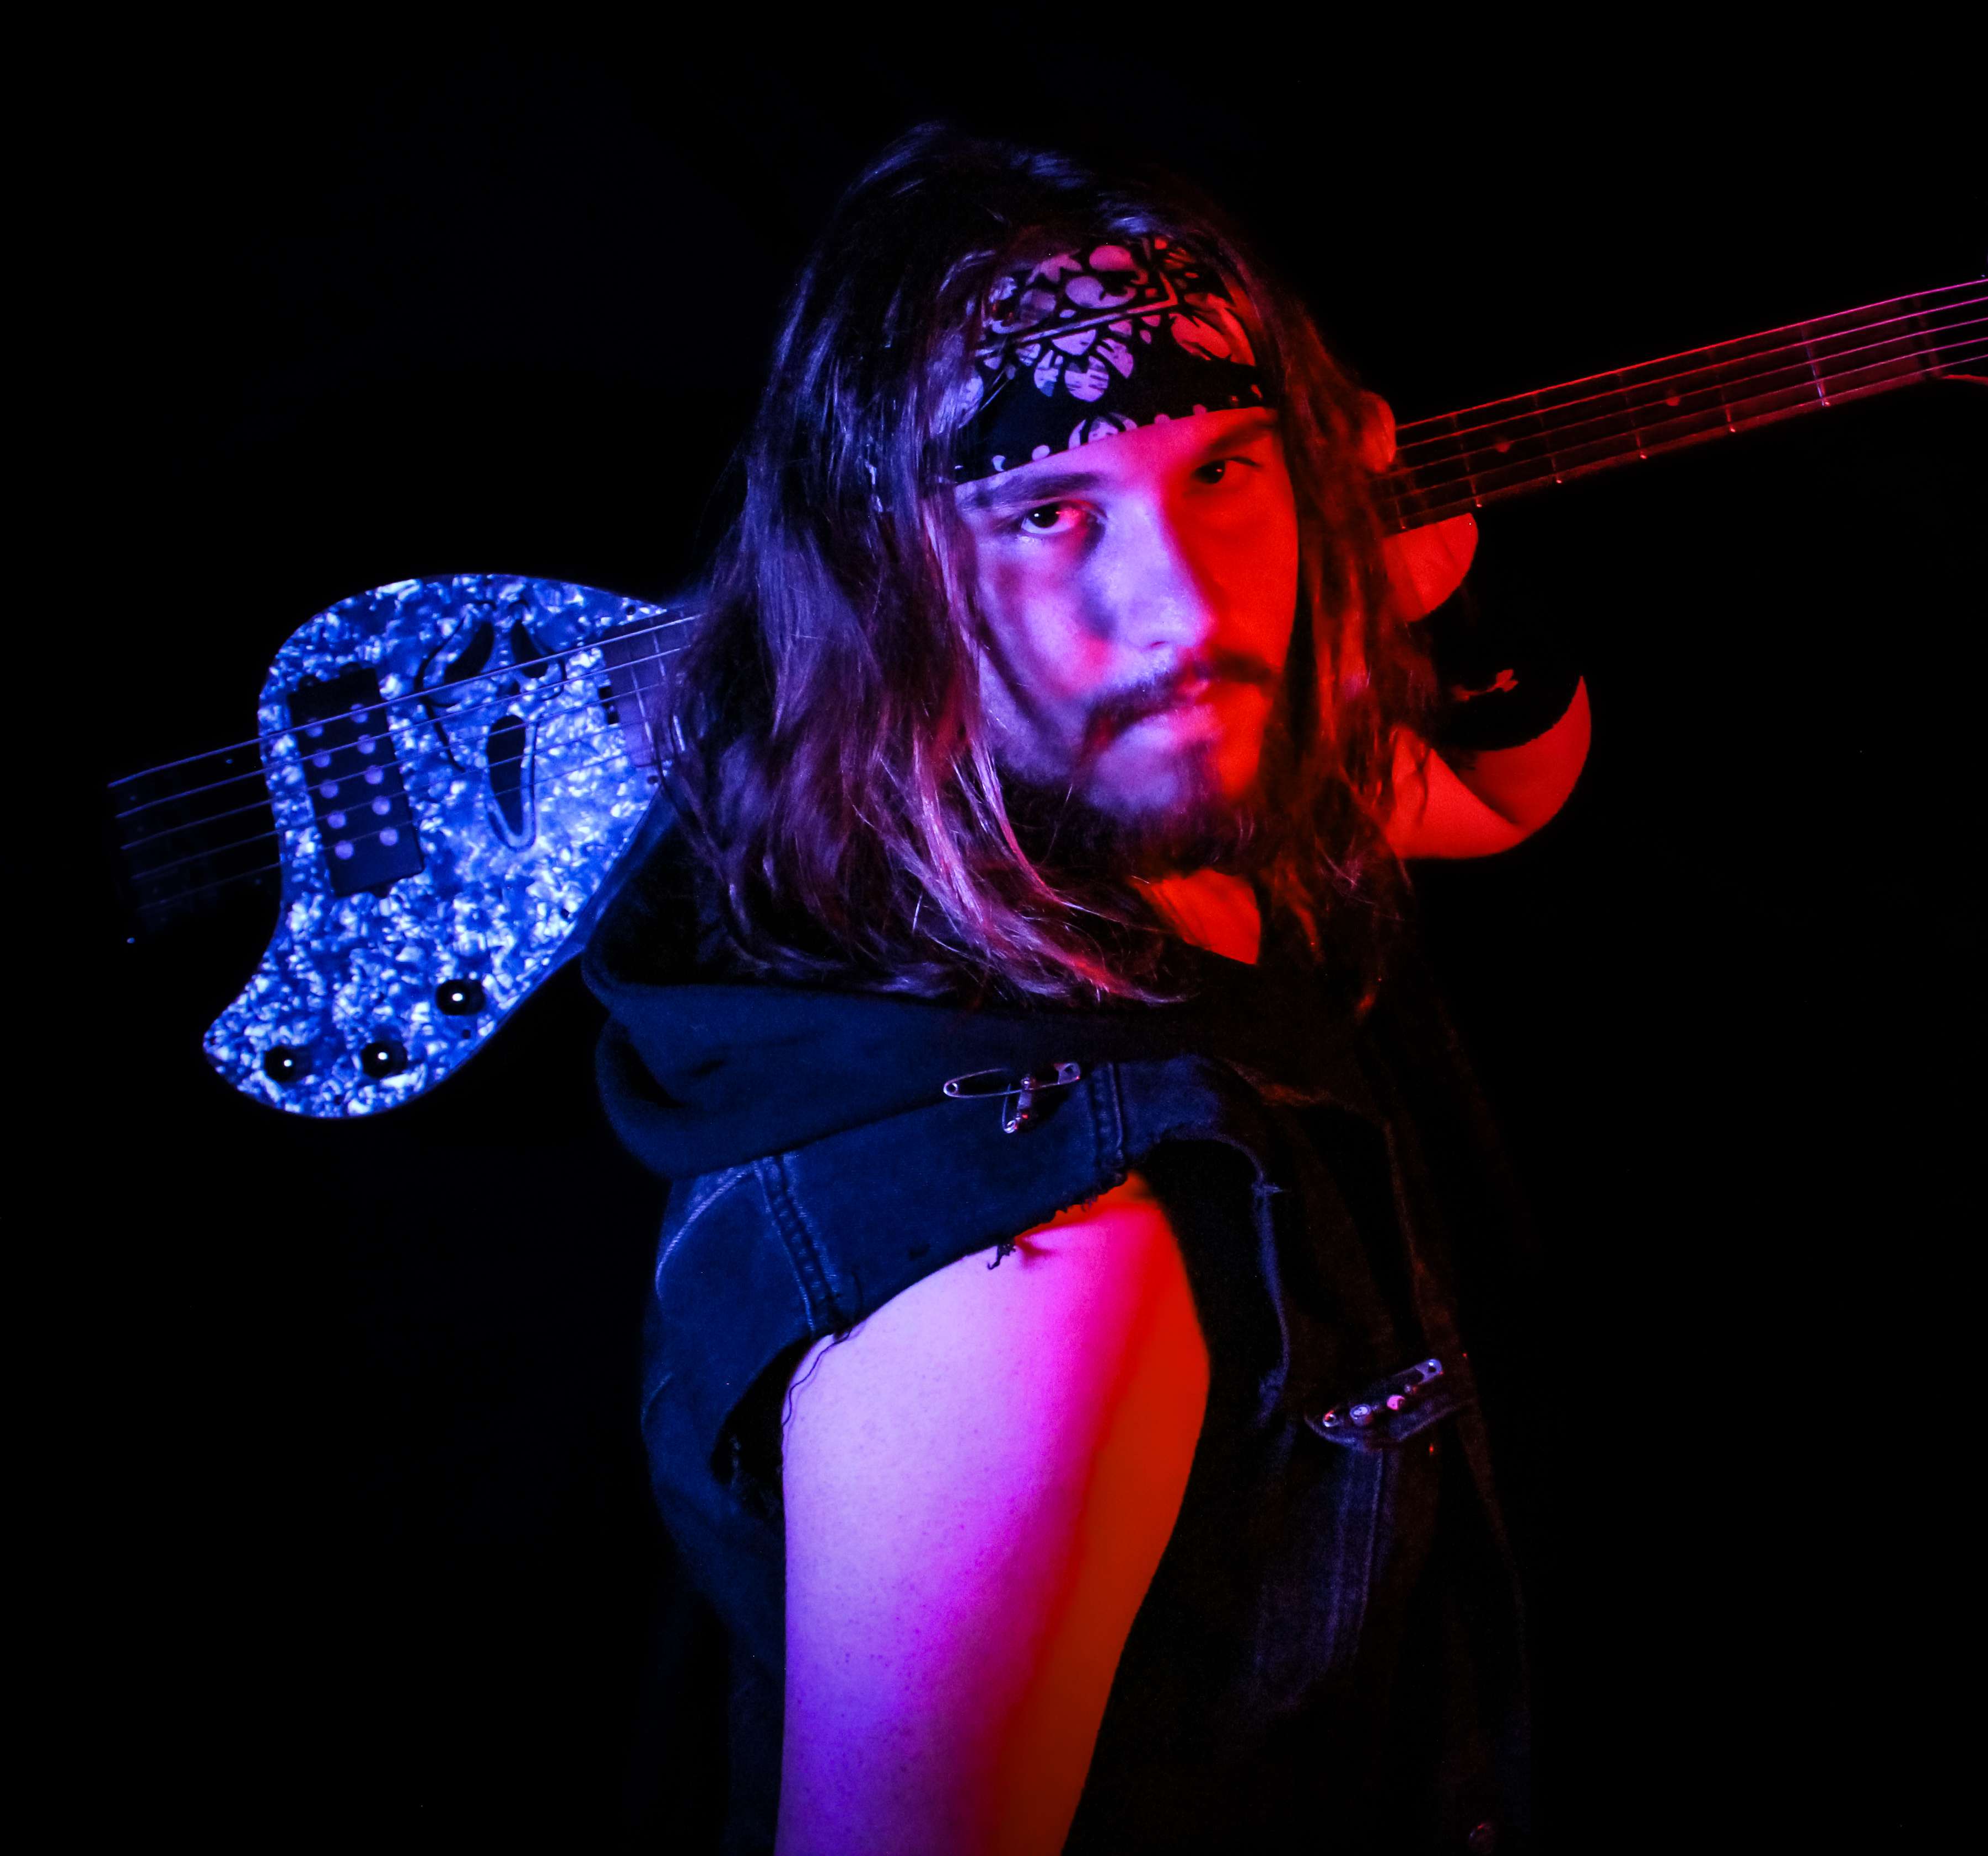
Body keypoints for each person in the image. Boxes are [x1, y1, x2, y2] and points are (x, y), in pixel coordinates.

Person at [585, 126, 1591, 1854]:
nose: (1178, 611)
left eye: (1226, 473)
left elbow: (1478, 799)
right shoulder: (1036, 1282)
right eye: (1046, 511)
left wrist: (1413, 556)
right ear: (879, 578)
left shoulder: (1067, 855)